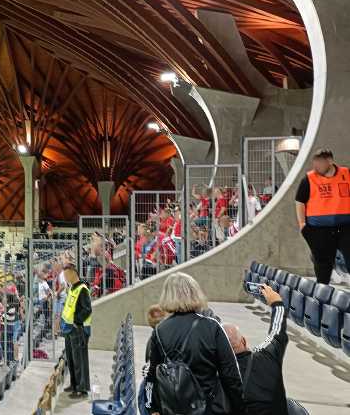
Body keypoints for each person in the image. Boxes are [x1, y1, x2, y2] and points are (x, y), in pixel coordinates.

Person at [146, 273, 243, 415]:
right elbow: (231, 375)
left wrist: (152, 408)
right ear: (195, 293)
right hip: (209, 407)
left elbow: (152, 375)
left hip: (175, 409)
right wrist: (240, 408)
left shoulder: (160, 331)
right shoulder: (212, 327)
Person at [223, 285, 289, 415]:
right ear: (243, 341)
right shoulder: (267, 356)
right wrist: (277, 304)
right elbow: (276, 333)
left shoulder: (216, 375)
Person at [295, 148, 350, 284]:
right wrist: (302, 224)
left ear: (330, 161)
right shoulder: (309, 179)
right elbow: (300, 201)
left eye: (320, 162)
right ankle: (322, 292)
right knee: (322, 266)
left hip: (345, 227)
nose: (316, 166)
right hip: (318, 229)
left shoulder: (346, 174)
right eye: (315, 162)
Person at [61, 267, 92, 399]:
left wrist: (76, 322)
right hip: (69, 328)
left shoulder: (82, 289)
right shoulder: (72, 288)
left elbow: (87, 309)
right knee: (71, 359)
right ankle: (74, 385)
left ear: (74, 274)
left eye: (67, 275)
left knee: (79, 360)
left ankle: (82, 388)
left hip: (78, 329)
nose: (65, 278)